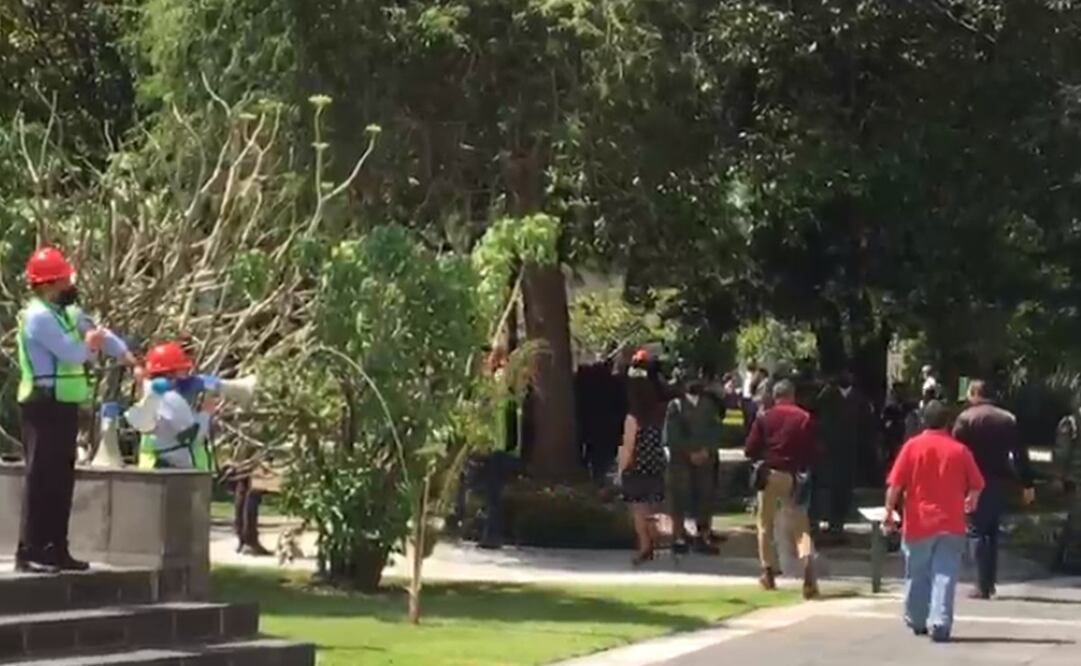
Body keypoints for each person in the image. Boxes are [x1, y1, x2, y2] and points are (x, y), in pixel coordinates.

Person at [14, 247, 139, 573]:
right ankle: (31, 551)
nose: (69, 285)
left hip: (65, 406)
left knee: (61, 479)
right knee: (41, 478)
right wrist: (93, 343)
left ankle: (57, 547)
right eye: (63, 280)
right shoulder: (37, 317)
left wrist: (123, 353)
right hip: (42, 405)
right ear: (46, 285)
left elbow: (95, 332)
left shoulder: (66, 313)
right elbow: (72, 353)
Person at [885, 401, 985, 642]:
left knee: (917, 572)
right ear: (948, 422)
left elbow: (895, 484)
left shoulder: (912, 447)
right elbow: (977, 484)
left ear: (922, 420)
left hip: (919, 521)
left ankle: (917, 618)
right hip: (951, 521)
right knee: (945, 573)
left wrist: (889, 510)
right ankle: (940, 621)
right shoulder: (959, 450)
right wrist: (971, 501)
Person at [952, 380, 1034, 600]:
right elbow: (1019, 453)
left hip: (972, 480)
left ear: (974, 394)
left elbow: (954, 451)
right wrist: (1027, 483)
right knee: (992, 531)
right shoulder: (1007, 419)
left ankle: (981, 583)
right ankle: (990, 582)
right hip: (999, 479)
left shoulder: (965, 419)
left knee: (976, 530)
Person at [744, 379, 820, 599]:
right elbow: (813, 450)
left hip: (768, 474)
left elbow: (750, 448)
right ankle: (807, 567)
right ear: (793, 395)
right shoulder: (804, 418)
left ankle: (767, 572)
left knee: (764, 525)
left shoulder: (764, 417)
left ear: (775, 397)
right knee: (800, 527)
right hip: (793, 476)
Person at [132, 342, 217, 471]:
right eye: (182, 370)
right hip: (177, 473)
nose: (185, 374)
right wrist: (206, 413)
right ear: (171, 373)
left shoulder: (152, 395)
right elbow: (193, 436)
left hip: (157, 469)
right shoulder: (170, 399)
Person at [618, 350, 668, 566]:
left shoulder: (632, 417)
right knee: (651, 505)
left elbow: (629, 445)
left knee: (638, 508)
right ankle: (654, 537)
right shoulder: (658, 413)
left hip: (637, 464)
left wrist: (621, 469)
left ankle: (645, 545)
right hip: (655, 461)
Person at [665, 373, 722, 555]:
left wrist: (707, 450)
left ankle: (703, 536)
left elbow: (716, 429)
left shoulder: (709, 405)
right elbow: (672, 434)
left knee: (705, 496)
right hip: (681, 461)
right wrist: (689, 452)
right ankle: (679, 536)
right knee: (680, 497)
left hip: (705, 459)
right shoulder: (675, 406)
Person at [815, 370, 872, 542]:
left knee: (845, 489)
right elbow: (820, 421)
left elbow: (865, 424)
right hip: (831, 450)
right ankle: (829, 523)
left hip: (850, 450)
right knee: (830, 488)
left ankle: (839, 524)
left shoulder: (859, 399)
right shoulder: (827, 396)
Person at [1052, 399, 1081, 574]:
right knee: (1076, 521)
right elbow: (1062, 452)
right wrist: (1059, 477)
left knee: (1075, 520)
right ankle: (1065, 560)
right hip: (1075, 478)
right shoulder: (1070, 423)